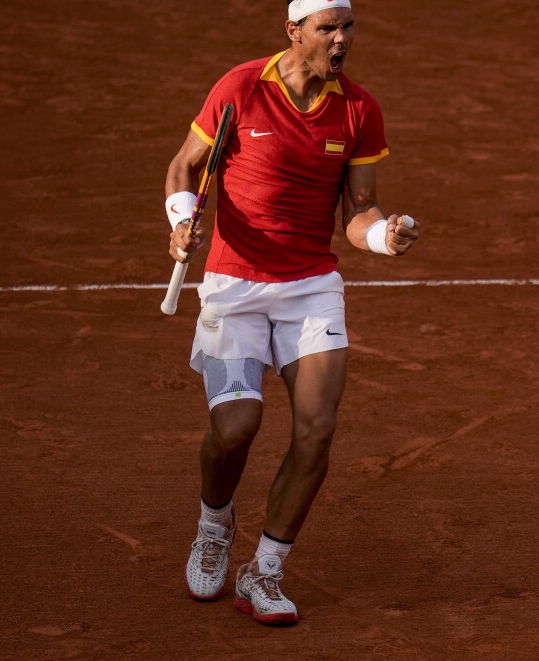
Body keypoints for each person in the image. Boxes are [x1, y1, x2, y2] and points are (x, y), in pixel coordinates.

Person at [165, 0, 419, 626]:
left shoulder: (358, 109)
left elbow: (358, 211)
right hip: (234, 284)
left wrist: (383, 235)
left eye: (348, 27)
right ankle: (214, 524)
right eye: (328, 28)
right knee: (236, 428)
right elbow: (184, 167)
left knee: (317, 429)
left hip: (309, 287)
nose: (341, 40)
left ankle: (265, 570)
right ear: (294, 31)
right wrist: (180, 224)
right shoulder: (240, 88)